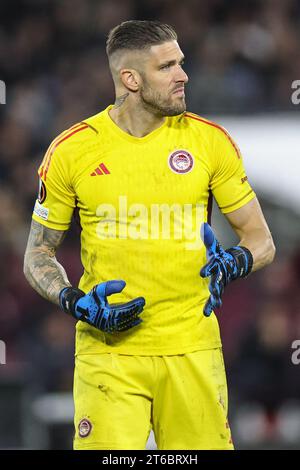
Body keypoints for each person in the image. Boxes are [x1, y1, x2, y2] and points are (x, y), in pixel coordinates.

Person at [23, 20, 275, 450]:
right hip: (109, 352)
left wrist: (235, 262)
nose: (183, 75)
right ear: (130, 79)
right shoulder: (72, 150)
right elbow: (38, 253)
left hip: (193, 349)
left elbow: (261, 240)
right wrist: (75, 302)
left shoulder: (210, 142)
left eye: (181, 63)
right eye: (168, 67)